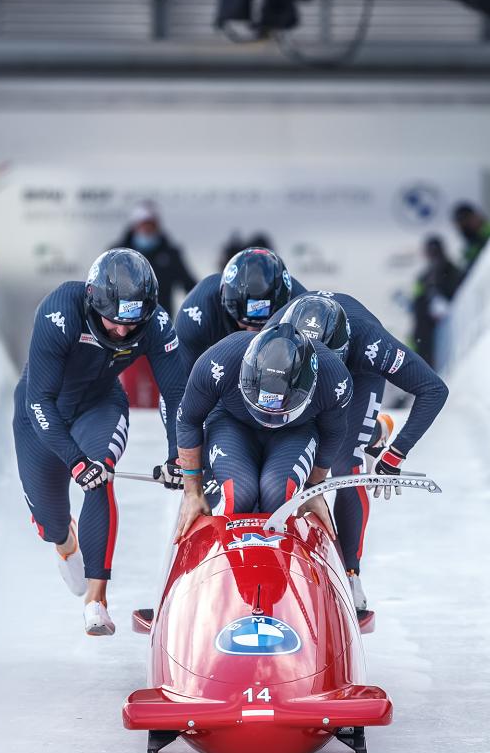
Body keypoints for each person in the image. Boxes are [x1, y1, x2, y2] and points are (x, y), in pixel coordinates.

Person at [12, 248, 187, 637]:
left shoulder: (156, 322)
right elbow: (38, 401)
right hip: (42, 412)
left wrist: (179, 456)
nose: (123, 332)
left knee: (100, 472)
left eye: (132, 323)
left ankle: (97, 600)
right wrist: (74, 461)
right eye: (114, 321)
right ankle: (64, 540)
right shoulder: (60, 311)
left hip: (99, 406)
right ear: (93, 302)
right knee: (50, 523)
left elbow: (177, 394)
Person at [273, 292, 448, 612]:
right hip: (297, 372)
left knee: (346, 461)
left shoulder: (372, 345)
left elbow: (434, 389)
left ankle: (351, 572)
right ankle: (375, 430)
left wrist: (395, 456)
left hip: (358, 378)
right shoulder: (277, 333)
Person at [173, 322, 353, 541]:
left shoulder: (335, 380)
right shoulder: (218, 362)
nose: (269, 420)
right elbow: (188, 420)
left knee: (277, 492)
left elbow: (333, 433)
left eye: (279, 410)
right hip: (232, 424)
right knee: (238, 492)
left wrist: (313, 489)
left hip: (295, 431)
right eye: (264, 411)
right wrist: (192, 491)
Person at [175, 246, 305, 367]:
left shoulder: (302, 309)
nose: (252, 332)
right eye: (246, 323)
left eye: (262, 325)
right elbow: (181, 383)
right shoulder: (200, 311)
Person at [112, 202, 196, 314]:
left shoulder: (171, 254)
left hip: (159, 318)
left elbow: (189, 286)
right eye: (143, 225)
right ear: (135, 226)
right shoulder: (116, 254)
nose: (147, 230)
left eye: (151, 225)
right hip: (123, 319)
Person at [411, 235, 462, 366]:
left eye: (435, 251)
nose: (433, 256)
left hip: (447, 329)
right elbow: (417, 304)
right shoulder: (424, 277)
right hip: (426, 331)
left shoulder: (452, 272)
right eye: (430, 252)